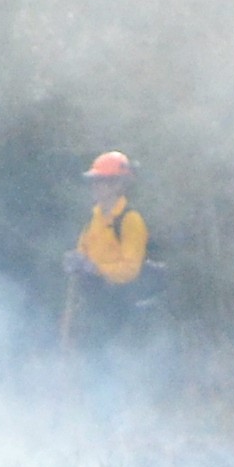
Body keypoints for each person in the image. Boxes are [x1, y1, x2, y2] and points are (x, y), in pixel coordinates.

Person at [59, 151, 169, 415]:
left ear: (119, 185)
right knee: (94, 361)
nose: (97, 187)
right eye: (95, 181)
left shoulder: (131, 221)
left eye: (104, 181)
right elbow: (83, 251)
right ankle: (99, 416)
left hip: (122, 305)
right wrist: (76, 262)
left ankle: (114, 418)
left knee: (110, 362)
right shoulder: (95, 219)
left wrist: (94, 268)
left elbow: (130, 269)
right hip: (97, 304)